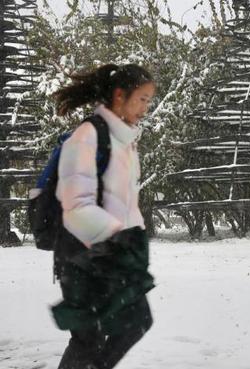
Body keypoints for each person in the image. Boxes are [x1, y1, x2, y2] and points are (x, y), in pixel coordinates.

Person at [51, 63, 156, 369]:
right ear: (120, 95)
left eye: (149, 101)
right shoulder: (87, 136)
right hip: (83, 258)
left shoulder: (123, 140)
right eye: (142, 99)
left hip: (111, 255)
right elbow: (75, 207)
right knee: (90, 338)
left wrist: (135, 238)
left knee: (135, 322)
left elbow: (123, 202)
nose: (145, 108)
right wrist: (118, 237)